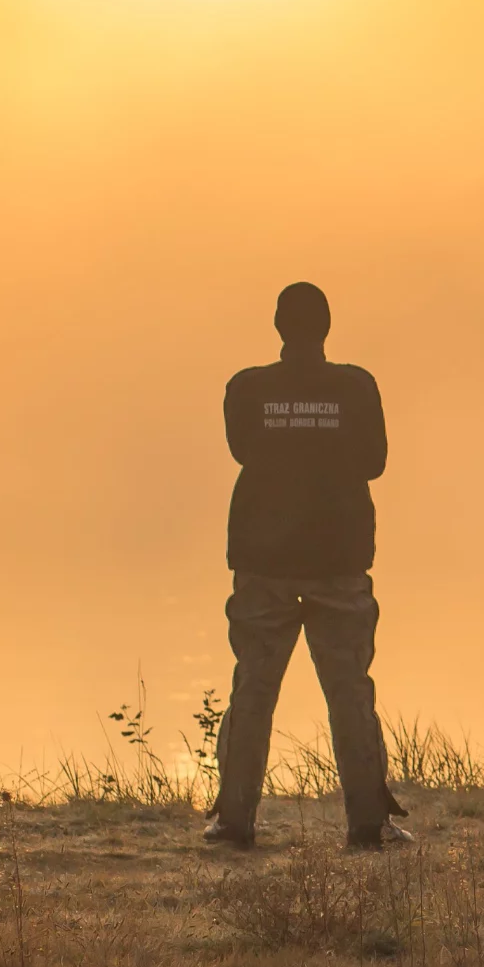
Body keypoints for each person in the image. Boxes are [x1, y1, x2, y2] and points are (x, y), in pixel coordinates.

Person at [204, 282, 409, 850]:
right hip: (339, 561)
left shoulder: (246, 389)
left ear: (277, 327)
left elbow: (244, 450)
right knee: (350, 691)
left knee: (253, 689)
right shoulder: (356, 387)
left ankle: (234, 821)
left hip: (263, 563)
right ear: (326, 327)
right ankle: (369, 823)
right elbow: (375, 461)